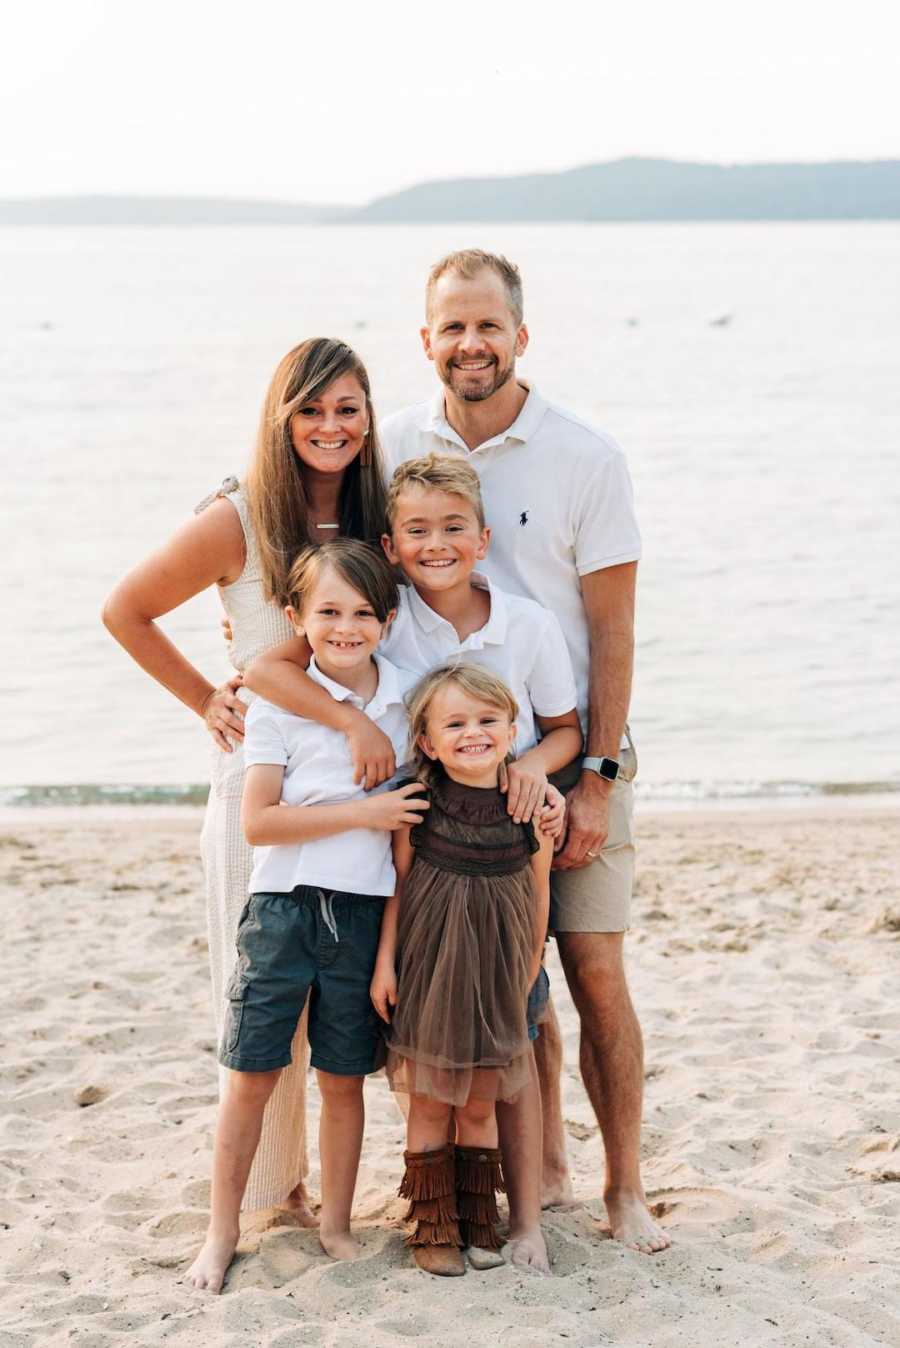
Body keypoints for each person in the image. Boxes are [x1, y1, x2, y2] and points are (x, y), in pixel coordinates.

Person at [378, 250, 670, 1254]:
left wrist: (591, 777)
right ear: (426, 341)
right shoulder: (396, 447)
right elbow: (325, 556)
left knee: (592, 969)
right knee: (512, 983)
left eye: (487, 326)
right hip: (453, 781)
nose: (470, 344)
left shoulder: (585, 457)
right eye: (451, 328)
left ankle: (626, 1187)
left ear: (520, 335)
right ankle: (538, 1174)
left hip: (570, 751)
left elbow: (615, 631)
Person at [244, 451, 582, 1273]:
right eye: (418, 530)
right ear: (391, 546)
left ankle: (521, 1215)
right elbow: (266, 668)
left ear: (483, 538)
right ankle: (436, 1217)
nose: (437, 544)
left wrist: (529, 778)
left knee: (520, 1035)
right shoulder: (393, 623)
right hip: (430, 856)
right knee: (431, 1068)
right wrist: (354, 728)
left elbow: (566, 728)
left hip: (510, 842)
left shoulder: (528, 625)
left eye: (454, 528)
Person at [102, 337, 390, 1218]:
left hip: (367, 792)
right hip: (259, 789)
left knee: (350, 1002)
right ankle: (275, 1192)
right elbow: (127, 609)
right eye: (310, 409)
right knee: (266, 1004)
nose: (329, 426)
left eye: (346, 408)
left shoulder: (382, 511)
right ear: (281, 416)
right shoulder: (239, 516)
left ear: (369, 415)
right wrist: (203, 700)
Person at [186, 539, 428, 1292]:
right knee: (252, 1074)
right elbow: (259, 823)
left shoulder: (405, 702)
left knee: (343, 1079)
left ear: (388, 619)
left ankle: (334, 1224)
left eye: (362, 612)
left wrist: (388, 953)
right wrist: (367, 809)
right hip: (282, 910)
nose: (345, 628)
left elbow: (402, 856)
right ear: (295, 616)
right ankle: (221, 1233)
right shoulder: (281, 704)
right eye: (327, 612)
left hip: (360, 917)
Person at [371, 663, 555, 1277]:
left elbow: (539, 894)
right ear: (426, 741)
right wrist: (384, 966)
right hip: (428, 964)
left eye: (486, 720)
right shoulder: (418, 804)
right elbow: (397, 885)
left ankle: (480, 1221)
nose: (472, 732)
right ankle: (433, 1226)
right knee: (428, 1101)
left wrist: (529, 967)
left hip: (499, 968)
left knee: (479, 1103)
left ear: (512, 729)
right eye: (454, 723)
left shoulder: (528, 808)